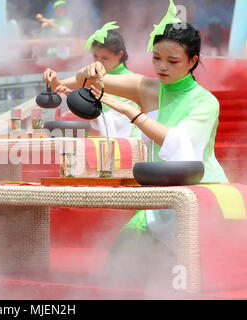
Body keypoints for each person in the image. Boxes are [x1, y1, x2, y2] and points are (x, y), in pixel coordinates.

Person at [76, 0, 228, 287]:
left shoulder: (205, 102)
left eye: (173, 61)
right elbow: (83, 82)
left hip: (196, 198)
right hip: (156, 197)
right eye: (156, 58)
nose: (161, 67)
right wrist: (90, 71)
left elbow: (181, 146)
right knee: (117, 273)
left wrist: (133, 113)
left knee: (184, 284)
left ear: (193, 61)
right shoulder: (147, 87)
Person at [43, 22, 142, 139]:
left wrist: (81, 103)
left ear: (119, 55)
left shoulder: (130, 80)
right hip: (104, 141)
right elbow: (57, 86)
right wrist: (53, 78)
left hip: (129, 144)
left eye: (105, 58)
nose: (99, 62)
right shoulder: (92, 76)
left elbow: (121, 124)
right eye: (95, 56)